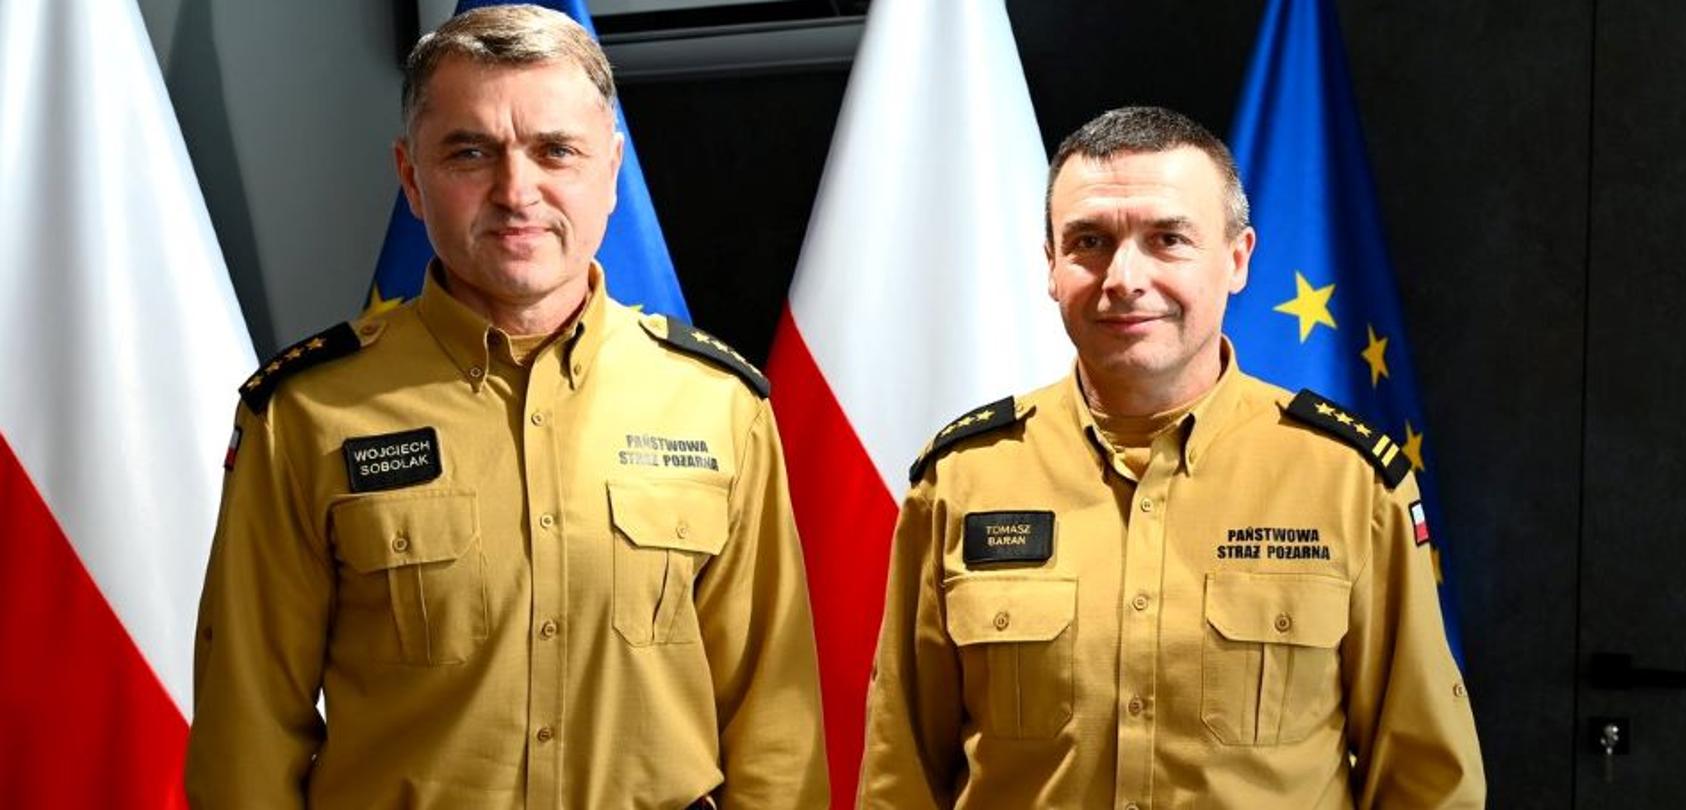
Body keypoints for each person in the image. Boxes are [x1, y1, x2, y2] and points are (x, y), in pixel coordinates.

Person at [183, 6, 827, 808]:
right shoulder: (307, 416)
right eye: (470, 152)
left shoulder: (717, 406)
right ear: (411, 178)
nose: (516, 192)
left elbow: (775, 730)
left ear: (612, 170)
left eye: (556, 151)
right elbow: (247, 737)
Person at [856, 106, 1484, 808]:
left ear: (1238, 259)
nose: (1124, 277)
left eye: (1168, 239)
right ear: (1052, 266)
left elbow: (1428, 782)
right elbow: (901, 772)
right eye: (1089, 242)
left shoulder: (1349, 483)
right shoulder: (962, 479)